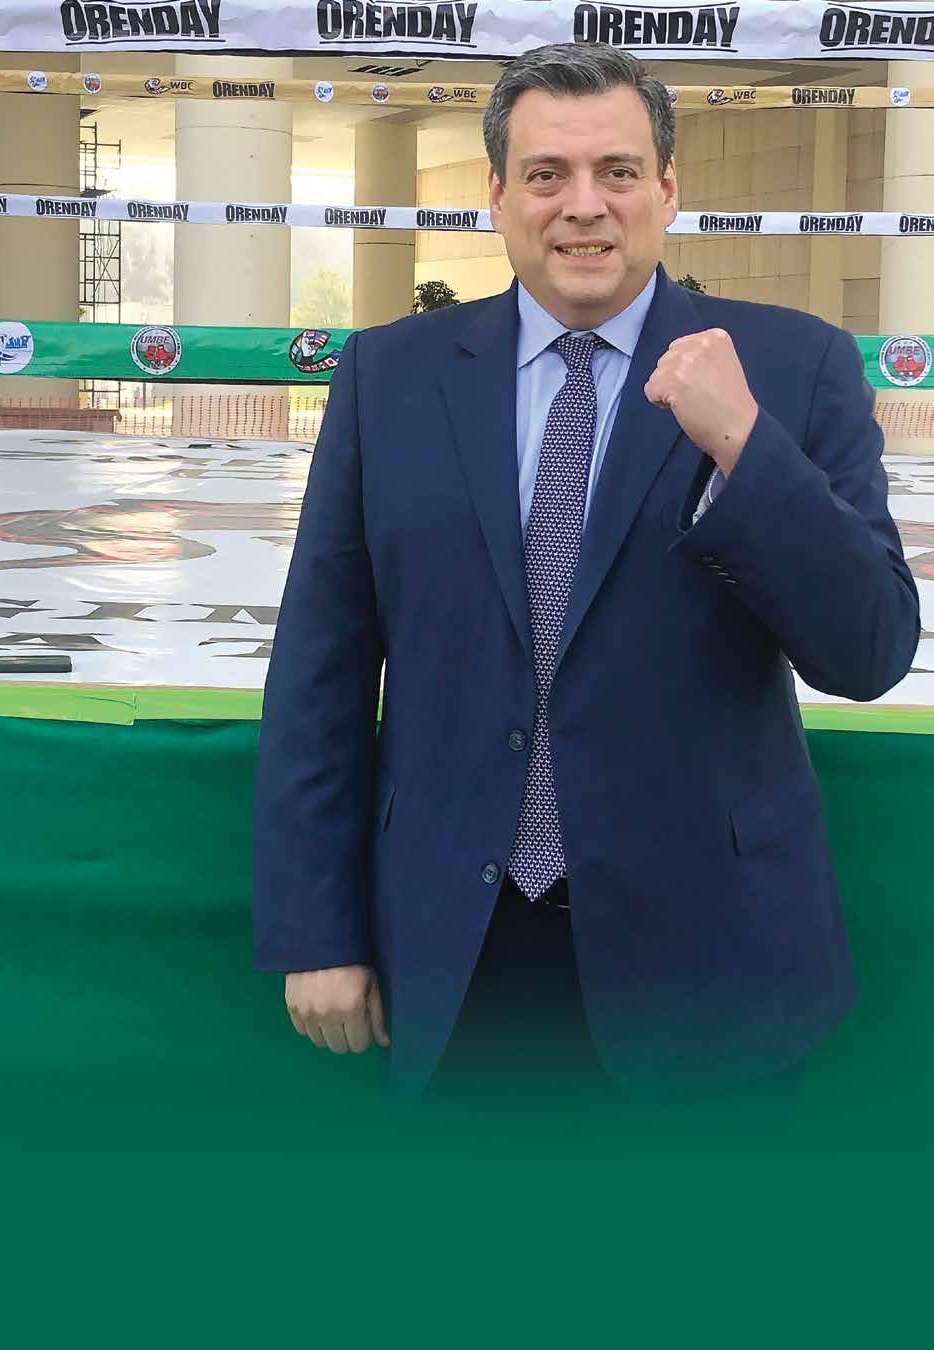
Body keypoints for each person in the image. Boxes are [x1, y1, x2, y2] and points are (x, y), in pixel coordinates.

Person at [252, 44, 920, 1114]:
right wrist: (316, 928)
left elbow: (868, 649)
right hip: (457, 955)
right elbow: (318, 670)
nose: (583, 207)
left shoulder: (792, 368)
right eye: (546, 175)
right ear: (496, 195)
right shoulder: (389, 377)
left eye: (616, 171)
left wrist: (745, 446)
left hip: (710, 962)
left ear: (666, 188)